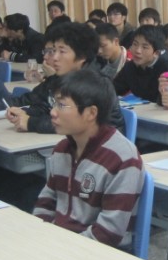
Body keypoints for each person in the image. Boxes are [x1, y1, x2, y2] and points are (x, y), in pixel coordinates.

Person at [33, 69, 144, 248]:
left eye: (62, 106)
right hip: (59, 243)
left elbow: (108, 233)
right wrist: (41, 235)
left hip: (98, 253)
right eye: (54, 103)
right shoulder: (62, 150)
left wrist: (61, 246)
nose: (53, 112)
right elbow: (46, 203)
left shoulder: (122, 159)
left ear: (91, 113)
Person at [0, 22, 124, 134]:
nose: (54, 58)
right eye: (53, 51)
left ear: (82, 56)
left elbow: (74, 122)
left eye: (62, 51)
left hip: (99, 152)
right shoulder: (58, 78)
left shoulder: (95, 85)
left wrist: (30, 122)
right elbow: (30, 100)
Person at [113, 24, 168, 102]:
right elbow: (114, 90)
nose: (138, 51)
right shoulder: (129, 67)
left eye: (145, 47)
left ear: (156, 53)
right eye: (135, 44)